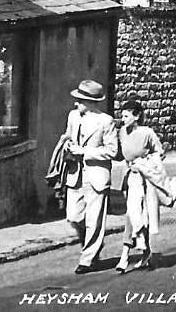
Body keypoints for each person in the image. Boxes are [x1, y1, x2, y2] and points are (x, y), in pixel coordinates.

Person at [61, 80, 118, 274]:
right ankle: (92, 245)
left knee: (94, 219)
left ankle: (88, 259)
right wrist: (68, 146)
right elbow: (68, 136)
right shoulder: (73, 116)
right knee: (74, 217)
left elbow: (112, 151)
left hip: (96, 176)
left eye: (80, 100)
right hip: (75, 174)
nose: (76, 104)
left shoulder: (106, 121)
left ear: (90, 102)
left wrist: (84, 151)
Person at [116, 100, 173, 274]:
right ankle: (145, 249)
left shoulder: (147, 133)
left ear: (137, 116)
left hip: (146, 180)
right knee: (134, 214)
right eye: (122, 115)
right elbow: (121, 154)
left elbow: (159, 153)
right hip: (130, 179)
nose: (122, 119)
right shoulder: (122, 133)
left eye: (126, 115)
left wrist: (144, 163)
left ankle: (125, 255)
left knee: (139, 215)